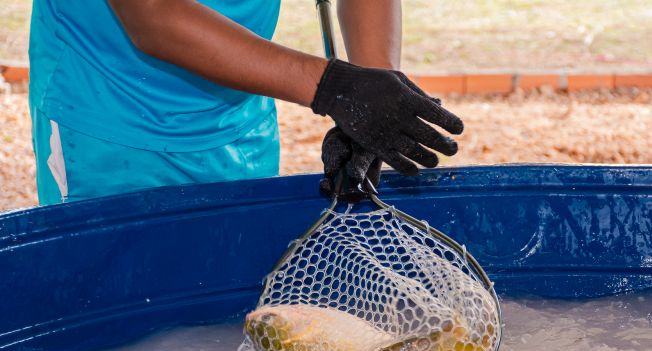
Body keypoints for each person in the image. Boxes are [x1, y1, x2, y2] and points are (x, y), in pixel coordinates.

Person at [28, 0, 463, 205]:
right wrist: (334, 88)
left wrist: (372, 95)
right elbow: (154, 14)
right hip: (110, 114)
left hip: (238, 115)